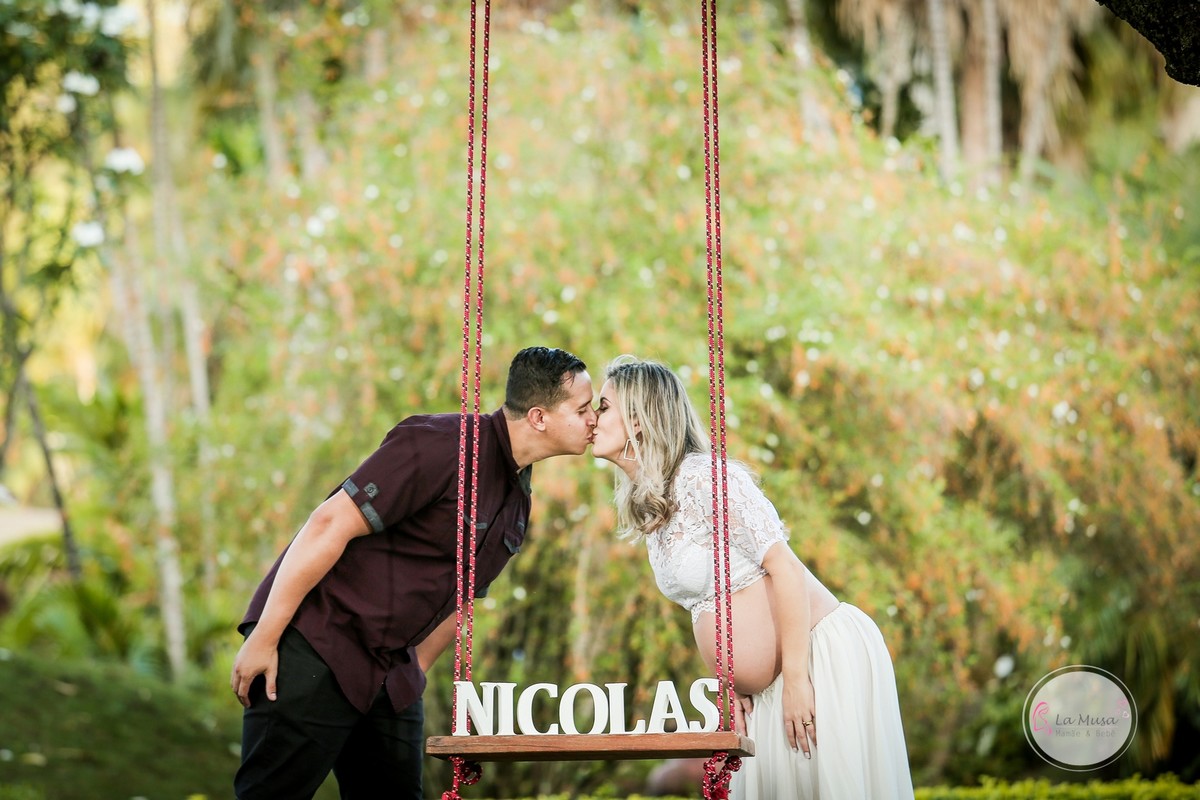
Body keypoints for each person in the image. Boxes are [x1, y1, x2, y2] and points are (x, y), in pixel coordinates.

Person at [230, 346, 597, 800]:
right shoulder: (440, 444)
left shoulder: (518, 500)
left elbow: (461, 599)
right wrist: (265, 637)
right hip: (318, 646)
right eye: (583, 409)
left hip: (390, 677)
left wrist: (415, 671)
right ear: (539, 417)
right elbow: (328, 523)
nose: (593, 419)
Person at [591, 355, 914, 800]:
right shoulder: (656, 502)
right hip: (765, 688)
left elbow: (785, 568)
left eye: (603, 406)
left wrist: (797, 679)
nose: (593, 417)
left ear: (638, 419)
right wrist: (732, 682)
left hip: (815, 659)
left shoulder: (702, 478)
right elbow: (710, 601)